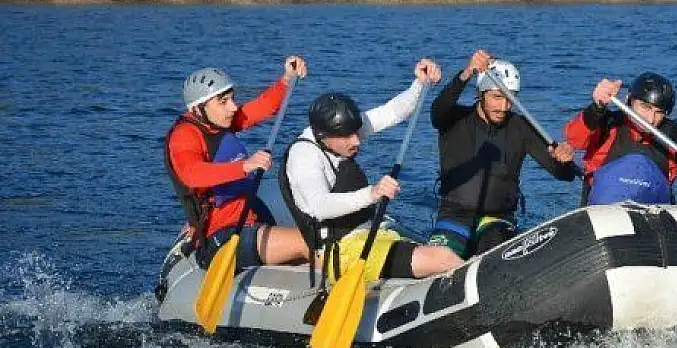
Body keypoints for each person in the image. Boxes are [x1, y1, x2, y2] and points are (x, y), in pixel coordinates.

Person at [280, 59, 463, 289]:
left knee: (439, 252)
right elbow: (320, 206)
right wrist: (373, 193)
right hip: (343, 252)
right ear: (323, 136)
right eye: (348, 137)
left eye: (356, 132)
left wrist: (419, 84)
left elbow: (393, 112)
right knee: (443, 258)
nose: (356, 140)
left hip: (371, 234)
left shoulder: (341, 133)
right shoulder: (304, 157)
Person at [428, 49, 577, 258]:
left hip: (497, 219)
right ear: (481, 94)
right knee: (439, 260)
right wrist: (468, 72)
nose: (504, 106)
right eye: (497, 97)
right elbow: (437, 110)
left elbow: (564, 175)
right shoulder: (453, 119)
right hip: (454, 215)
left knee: (493, 250)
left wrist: (564, 160)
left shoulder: (521, 127)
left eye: (510, 99)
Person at [165, 56, 311, 270]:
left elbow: (263, 106)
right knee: (306, 242)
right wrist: (244, 166)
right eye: (223, 102)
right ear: (198, 109)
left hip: (247, 216)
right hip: (221, 235)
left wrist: (287, 79)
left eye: (232, 99)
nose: (233, 107)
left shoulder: (218, 122)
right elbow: (191, 174)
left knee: (311, 243)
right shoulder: (184, 136)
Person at [564, 72, 677, 205]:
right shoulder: (606, 122)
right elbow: (575, 139)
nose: (649, 119)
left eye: (658, 112)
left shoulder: (676, 135)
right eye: (644, 107)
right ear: (628, 101)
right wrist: (597, 107)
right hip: (601, 211)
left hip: (654, 214)